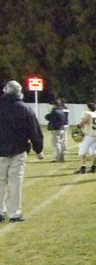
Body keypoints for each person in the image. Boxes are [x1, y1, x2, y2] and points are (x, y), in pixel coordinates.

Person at [0, 80, 44, 222]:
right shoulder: (25, 109)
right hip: (18, 150)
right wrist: (38, 149)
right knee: (15, 182)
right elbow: (34, 131)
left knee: (0, 181)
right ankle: (14, 213)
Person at [73, 102, 96, 174]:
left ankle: (83, 168)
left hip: (89, 135)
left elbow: (83, 123)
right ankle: (93, 167)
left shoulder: (89, 114)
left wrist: (77, 127)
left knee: (81, 152)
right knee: (93, 151)